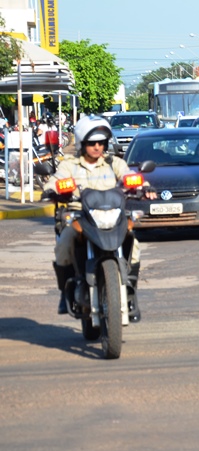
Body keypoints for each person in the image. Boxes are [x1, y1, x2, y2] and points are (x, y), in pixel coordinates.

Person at [43, 115, 157, 317]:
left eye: (101, 142)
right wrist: (52, 191)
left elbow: (130, 177)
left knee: (135, 246)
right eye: (92, 143)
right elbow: (55, 181)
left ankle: (130, 292)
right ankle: (65, 293)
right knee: (63, 244)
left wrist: (145, 188)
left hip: (113, 216)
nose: (97, 147)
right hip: (81, 216)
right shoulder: (69, 165)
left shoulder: (115, 163)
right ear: (82, 143)